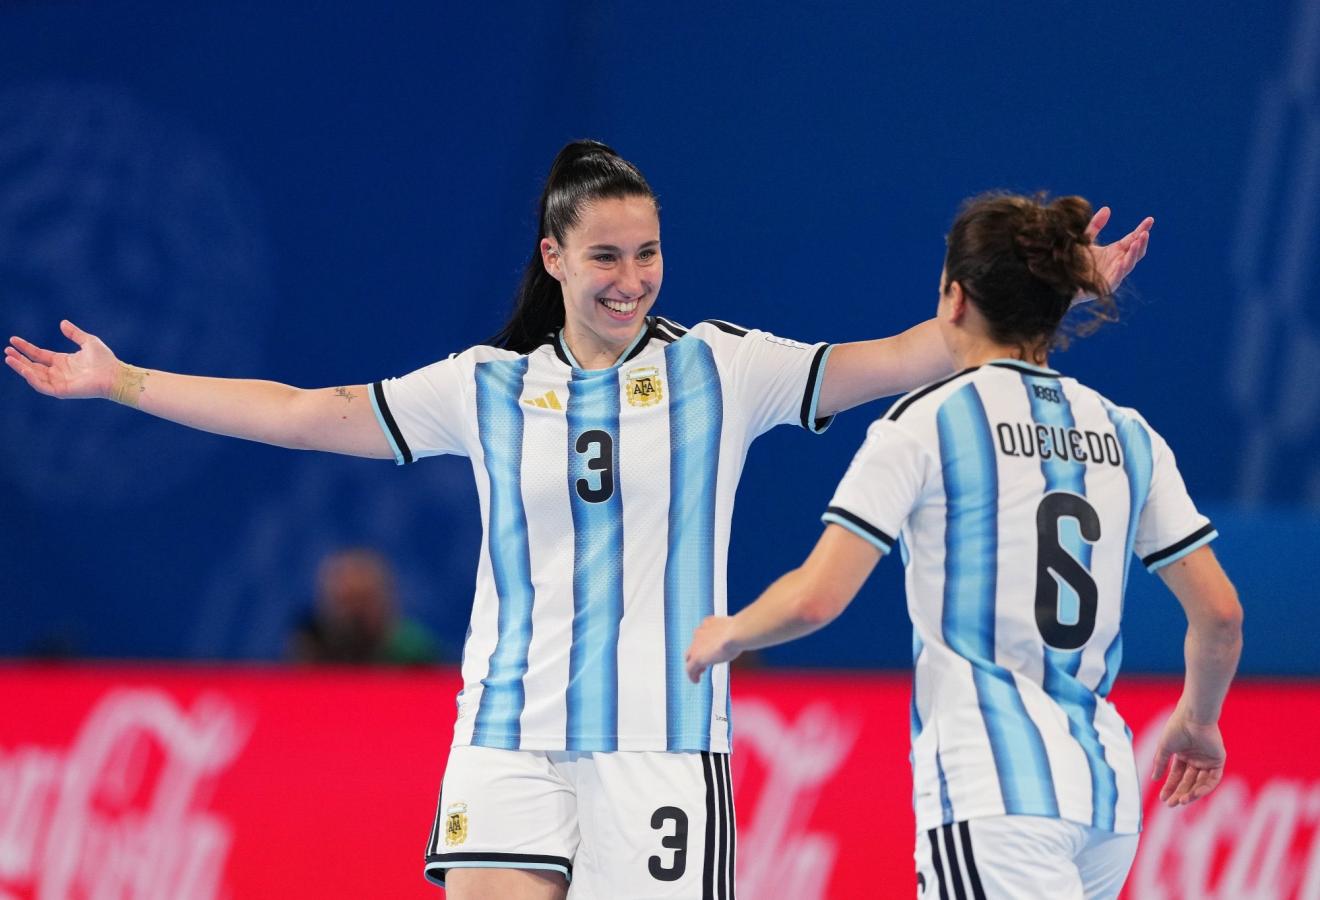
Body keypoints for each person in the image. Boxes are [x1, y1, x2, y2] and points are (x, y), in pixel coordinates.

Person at [6, 142, 1152, 900]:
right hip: (508, 738)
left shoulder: (721, 371)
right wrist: (126, 382)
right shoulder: (488, 387)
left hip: (662, 754)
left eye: (647, 252)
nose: (631, 277)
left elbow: (922, 349)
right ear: (553, 258)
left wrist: (1066, 285)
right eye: (605, 255)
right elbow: (308, 415)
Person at [685, 191, 1241, 899]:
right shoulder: (1127, 433)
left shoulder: (925, 422)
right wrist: (1197, 719)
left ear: (953, 298)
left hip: (993, 793)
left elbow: (817, 597)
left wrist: (726, 634)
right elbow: (1222, 615)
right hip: (1105, 802)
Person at [288, 547, 443, 665]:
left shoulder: (411, 651)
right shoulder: (313, 648)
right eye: (346, 602)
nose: (354, 613)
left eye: (363, 601)